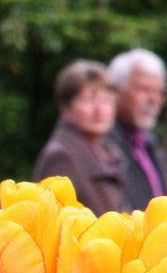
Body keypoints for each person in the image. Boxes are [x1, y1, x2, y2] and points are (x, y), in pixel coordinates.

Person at [33, 59, 126, 215]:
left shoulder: (110, 153)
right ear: (65, 107)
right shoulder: (61, 155)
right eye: (88, 99)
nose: (100, 109)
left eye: (106, 100)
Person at [106, 48, 167, 210]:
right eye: (144, 89)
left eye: (159, 92)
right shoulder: (100, 143)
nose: (154, 100)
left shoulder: (148, 142)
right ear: (116, 91)